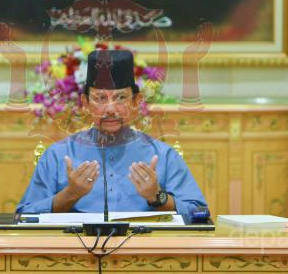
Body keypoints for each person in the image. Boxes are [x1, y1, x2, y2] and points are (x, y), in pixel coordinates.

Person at [16, 50, 208, 215]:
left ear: (136, 102)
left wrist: (158, 197)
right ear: (85, 103)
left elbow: (199, 213)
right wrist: (70, 194)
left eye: (121, 98)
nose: (110, 109)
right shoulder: (58, 155)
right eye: (100, 98)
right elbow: (23, 215)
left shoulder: (163, 156)